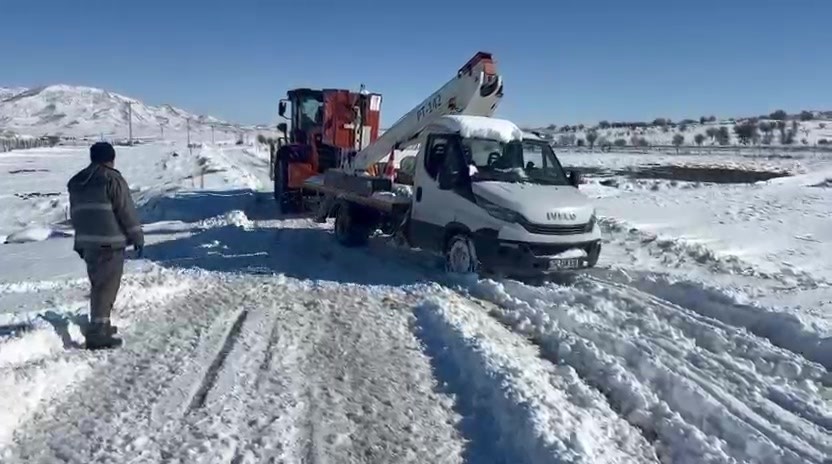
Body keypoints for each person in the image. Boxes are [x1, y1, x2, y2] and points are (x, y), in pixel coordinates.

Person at [67, 142, 144, 350]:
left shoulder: (77, 181)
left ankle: (101, 323)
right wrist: (137, 237)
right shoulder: (112, 179)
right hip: (109, 242)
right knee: (107, 286)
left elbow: (75, 212)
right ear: (111, 158)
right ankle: (98, 333)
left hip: (86, 242)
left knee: (98, 284)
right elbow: (125, 211)